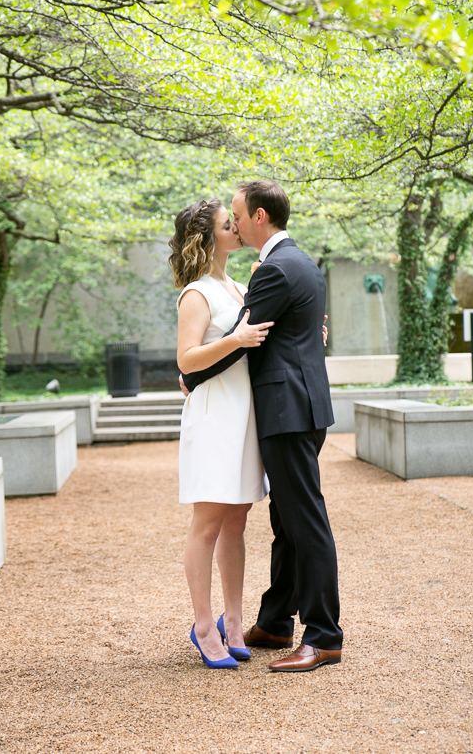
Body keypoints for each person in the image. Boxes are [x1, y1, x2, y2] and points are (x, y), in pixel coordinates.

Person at [181, 180, 343, 673]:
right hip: (271, 410)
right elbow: (252, 338)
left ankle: (324, 636)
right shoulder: (293, 264)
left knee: (301, 520)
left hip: (282, 410)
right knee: (283, 522)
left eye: (237, 216)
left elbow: (247, 337)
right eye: (225, 221)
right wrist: (192, 373)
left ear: (258, 217)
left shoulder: (270, 272)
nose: (234, 224)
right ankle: (273, 620)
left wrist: (191, 376)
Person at [169, 198, 274, 670]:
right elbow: (186, 360)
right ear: (208, 237)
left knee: (238, 522)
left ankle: (235, 620)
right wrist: (234, 340)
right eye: (227, 224)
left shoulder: (237, 285)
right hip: (214, 417)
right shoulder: (197, 293)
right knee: (207, 524)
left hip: (245, 415)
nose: (236, 226)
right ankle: (203, 625)